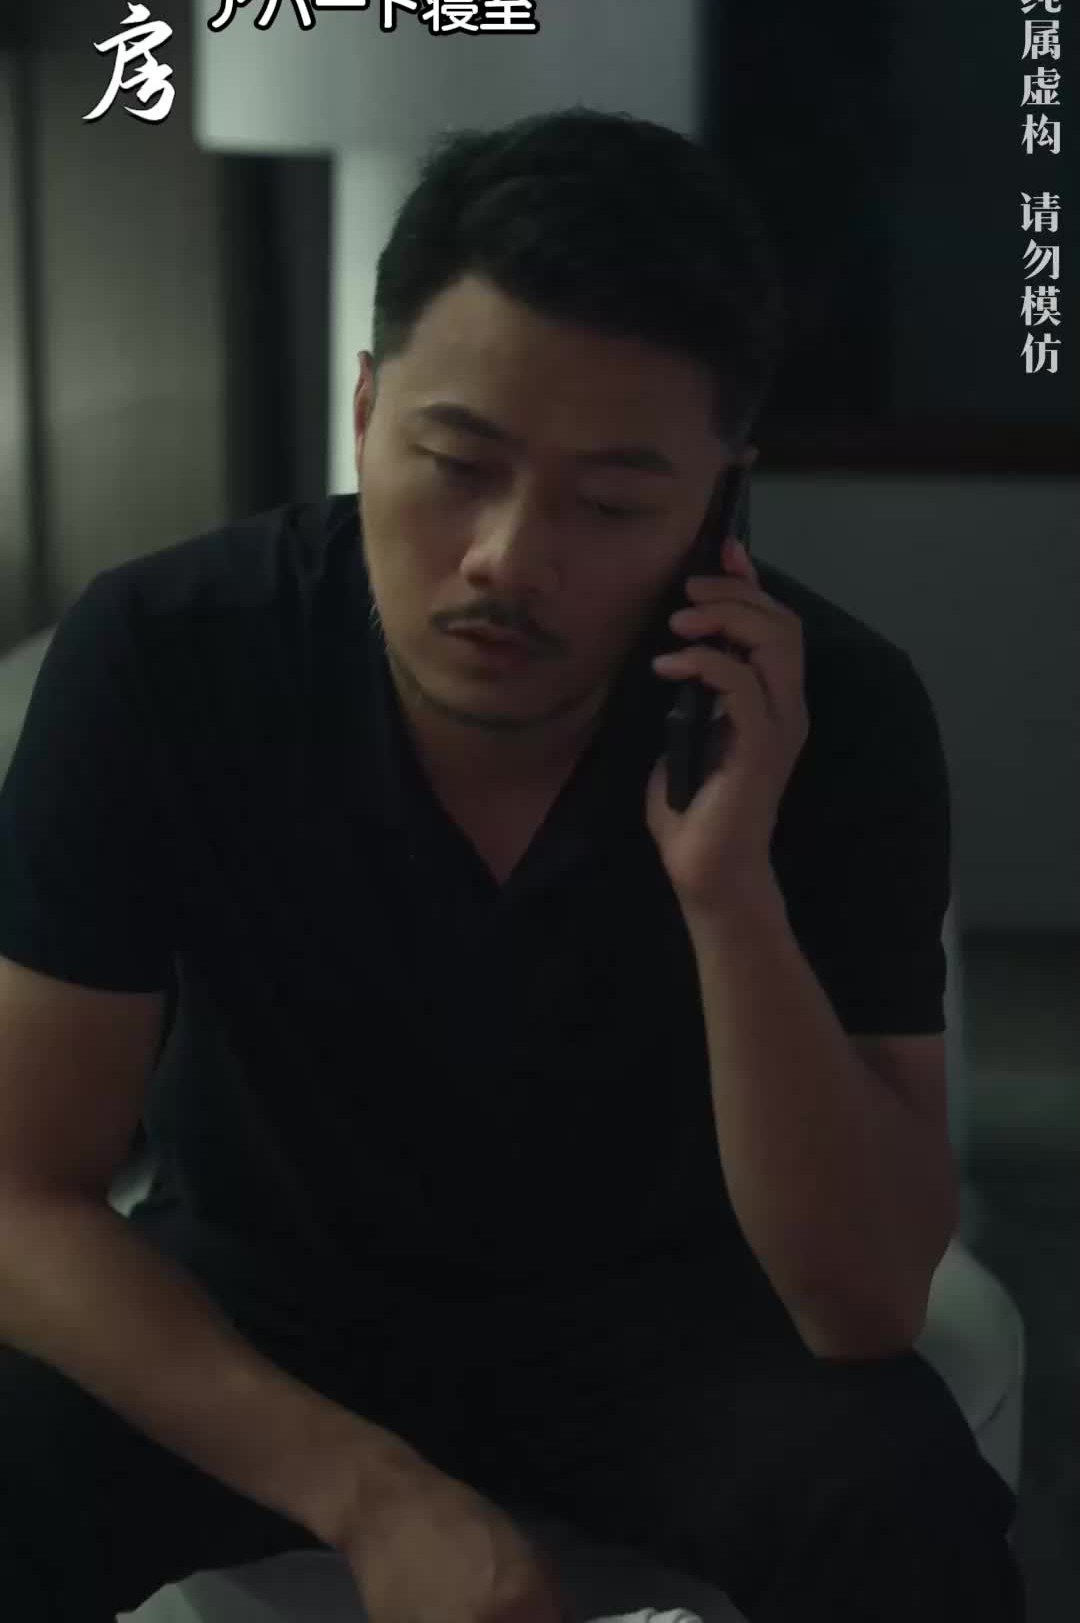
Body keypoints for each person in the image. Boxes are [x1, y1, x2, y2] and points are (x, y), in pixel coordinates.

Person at [0, 107, 1023, 1621]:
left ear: (720, 501)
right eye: (456, 463)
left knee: (901, 1505)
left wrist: (728, 891)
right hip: (265, 1297)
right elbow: (24, 1191)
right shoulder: (168, 654)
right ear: (364, 410)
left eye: (613, 505)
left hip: (672, 1328)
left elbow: (864, 1301)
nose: (507, 557)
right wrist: (374, 1494)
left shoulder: (833, 710)